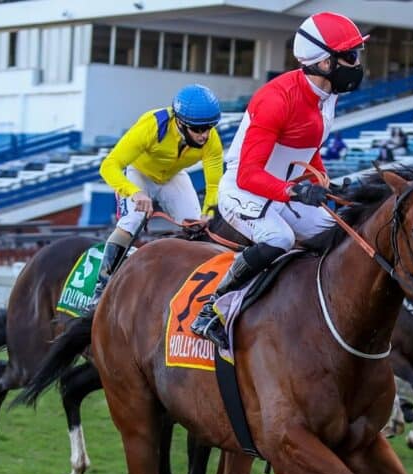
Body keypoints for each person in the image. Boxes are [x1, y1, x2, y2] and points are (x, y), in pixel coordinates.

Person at [190, 11, 368, 345]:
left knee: (337, 233)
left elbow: (307, 149)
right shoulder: (276, 99)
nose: (356, 63)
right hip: (245, 191)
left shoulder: (328, 97)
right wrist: (297, 192)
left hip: (284, 193)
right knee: (279, 239)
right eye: (349, 55)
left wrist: (322, 180)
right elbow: (248, 174)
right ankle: (210, 309)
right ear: (323, 62)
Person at [91, 84, 223, 305]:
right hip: (139, 173)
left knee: (198, 227)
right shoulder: (152, 126)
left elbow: (214, 186)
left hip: (173, 177)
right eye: (198, 130)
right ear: (180, 122)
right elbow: (109, 165)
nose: (205, 135)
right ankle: (101, 288)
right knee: (132, 220)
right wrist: (134, 193)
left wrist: (209, 211)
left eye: (209, 127)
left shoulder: (211, 140)